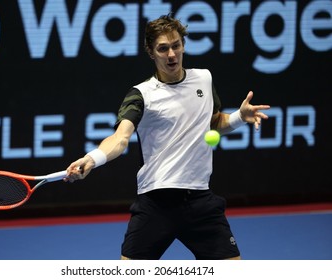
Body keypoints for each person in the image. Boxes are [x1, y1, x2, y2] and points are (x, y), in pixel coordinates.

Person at [65, 14, 270, 260]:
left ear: (183, 45)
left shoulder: (204, 79)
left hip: (200, 200)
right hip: (155, 203)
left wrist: (238, 116)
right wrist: (93, 158)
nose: (171, 54)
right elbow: (120, 139)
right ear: (151, 53)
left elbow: (214, 122)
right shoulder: (140, 95)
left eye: (176, 46)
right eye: (163, 49)